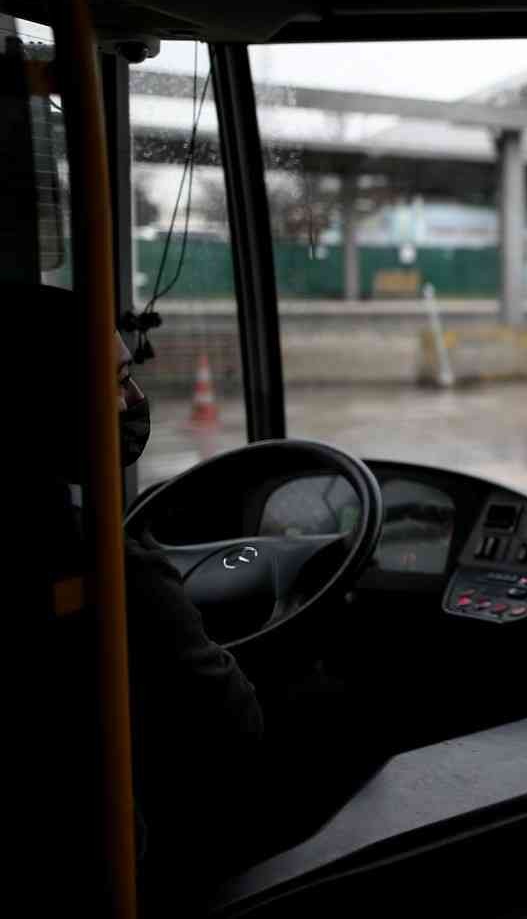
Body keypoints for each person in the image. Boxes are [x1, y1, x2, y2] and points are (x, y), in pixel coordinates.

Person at [19, 284, 264, 912]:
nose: (133, 399)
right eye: (119, 378)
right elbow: (233, 726)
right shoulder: (110, 570)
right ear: (53, 402)